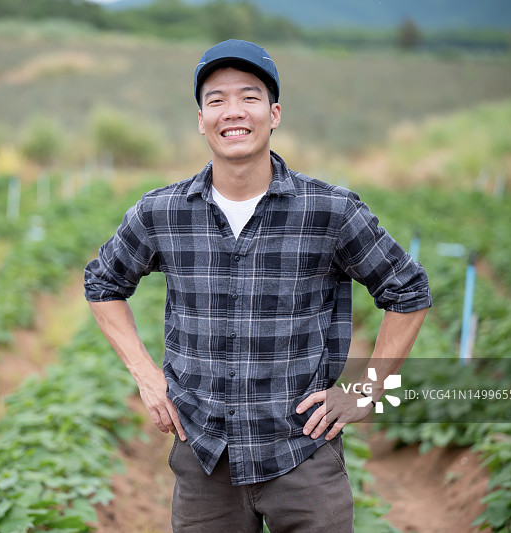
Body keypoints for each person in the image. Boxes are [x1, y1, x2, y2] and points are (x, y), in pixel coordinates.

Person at [83, 39, 430, 532]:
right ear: (201, 119)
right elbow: (102, 283)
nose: (233, 112)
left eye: (249, 96)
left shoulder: (329, 211)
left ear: (275, 112)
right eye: (216, 100)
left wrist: (367, 388)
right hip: (204, 458)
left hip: (303, 456)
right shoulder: (162, 212)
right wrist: (143, 371)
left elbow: (408, 291)